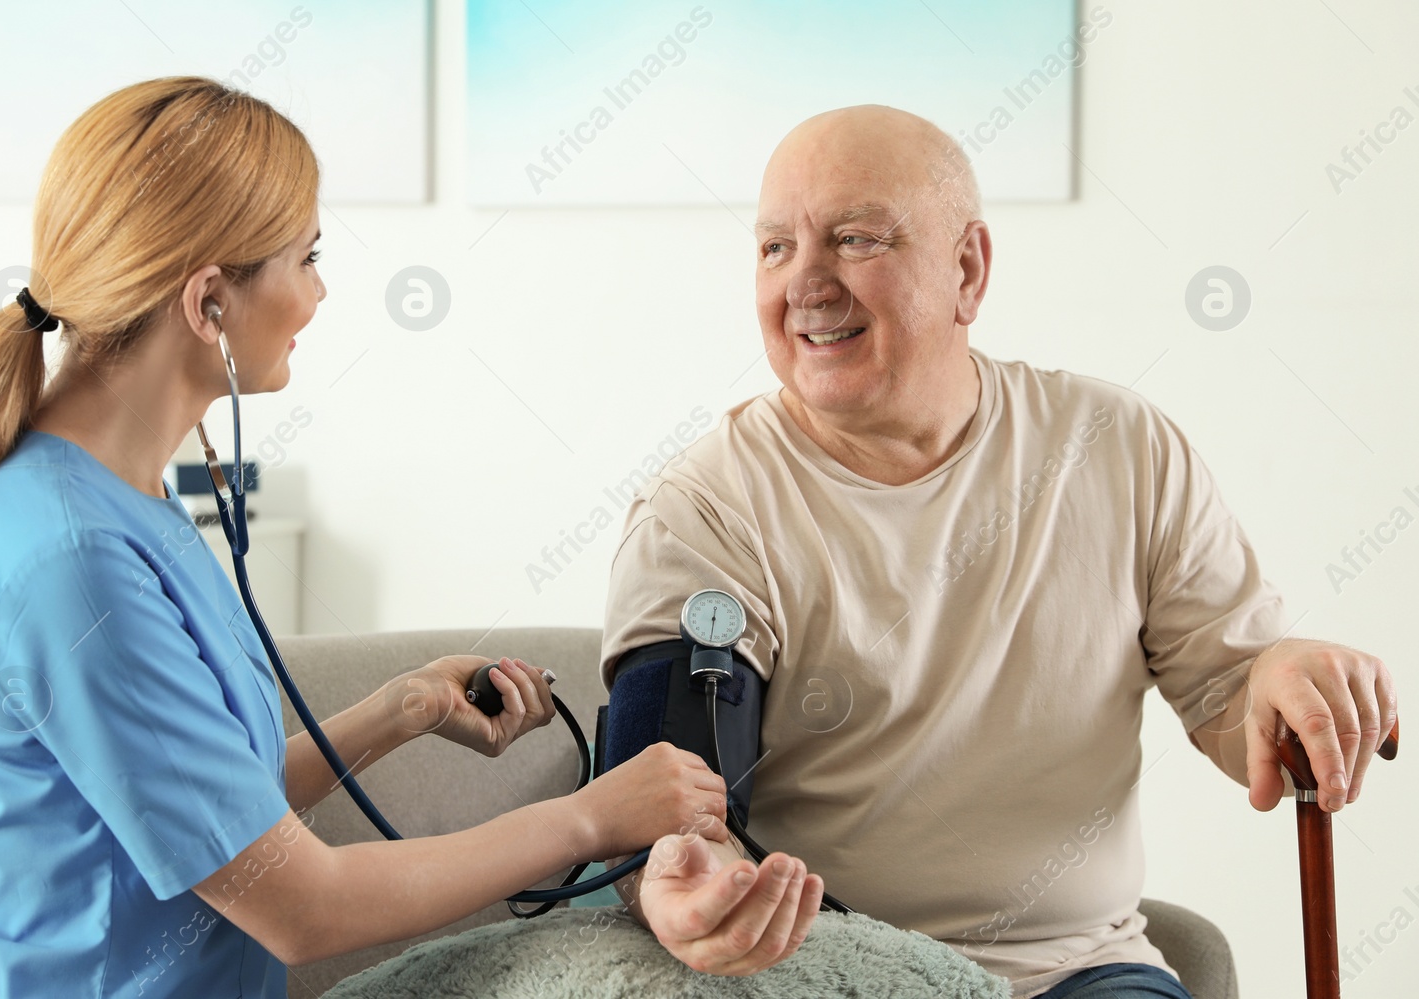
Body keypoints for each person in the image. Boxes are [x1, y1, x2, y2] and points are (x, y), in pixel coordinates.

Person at [0, 77, 732, 998]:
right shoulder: (70, 558)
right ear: (209, 302)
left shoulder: (116, 500)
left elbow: (212, 817)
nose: (322, 290)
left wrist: (397, 710)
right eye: (308, 256)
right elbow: (298, 905)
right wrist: (588, 818)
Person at [598, 105, 1398, 998]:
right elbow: (663, 795)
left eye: (855, 240)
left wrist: (1283, 673)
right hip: (827, 971)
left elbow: (1230, 690)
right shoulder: (705, 508)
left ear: (967, 270)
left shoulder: (1118, 449)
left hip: (1080, 971)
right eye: (776, 248)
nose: (807, 285)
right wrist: (682, 879)